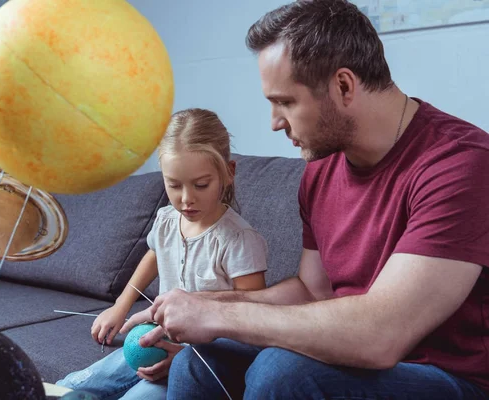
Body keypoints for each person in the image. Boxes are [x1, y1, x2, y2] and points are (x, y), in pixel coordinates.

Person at [120, 1, 489, 399]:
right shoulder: (321, 170)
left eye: (285, 102)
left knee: (283, 371)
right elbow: (312, 291)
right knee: (200, 360)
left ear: (343, 86)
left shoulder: (459, 165)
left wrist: (221, 314)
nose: (275, 122)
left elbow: (383, 335)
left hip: (443, 377)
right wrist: (196, 303)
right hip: (346, 353)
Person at [56, 108, 268, 399]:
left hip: (199, 360)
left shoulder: (239, 240)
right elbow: (154, 255)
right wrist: (120, 305)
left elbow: (254, 320)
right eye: (174, 185)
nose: (186, 198)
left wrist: (182, 357)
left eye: (200, 185)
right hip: (153, 337)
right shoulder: (167, 219)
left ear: (228, 173)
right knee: (71, 386)